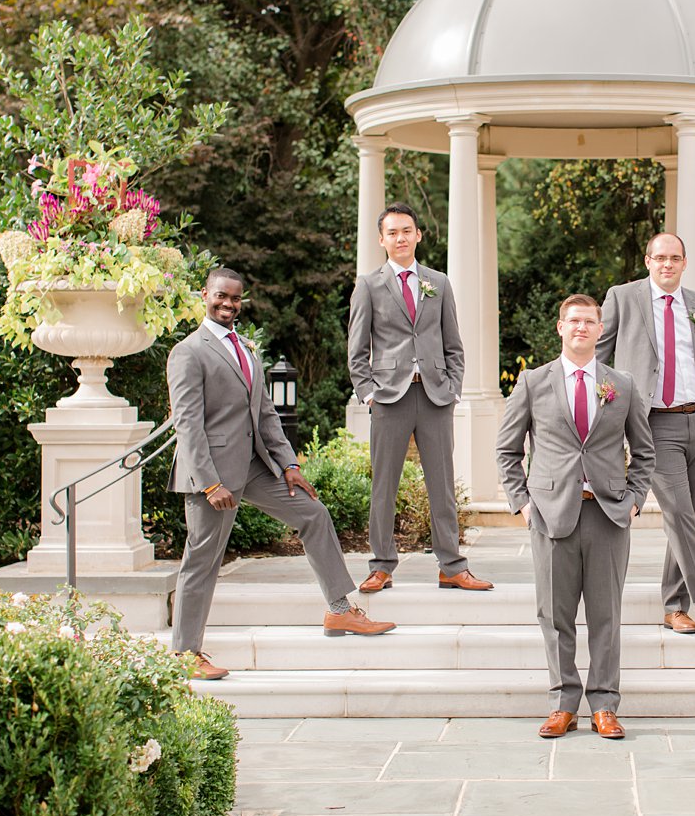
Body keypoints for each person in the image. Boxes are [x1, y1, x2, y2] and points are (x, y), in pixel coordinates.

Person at [169, 268, 393, 679]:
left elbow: (266, 413)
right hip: (213, 476)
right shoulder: (188, 352)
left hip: (255, 467)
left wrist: (289, 464)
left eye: (235, 299)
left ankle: (340, 610)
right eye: (221, 296)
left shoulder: (246, 348)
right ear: (205, 295)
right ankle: (185, 654)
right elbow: (188, 424)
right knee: (202, 560)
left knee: (313, 513)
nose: (228, 304)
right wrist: (209, 482)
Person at [496, 294, 655, 740]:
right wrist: (524, 504)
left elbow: (644, 451)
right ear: (560, 328)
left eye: (589, 321)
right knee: (555, 615)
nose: (581, 328)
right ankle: (563, 704)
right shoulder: (533, 382)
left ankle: (604, 705)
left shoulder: (621, 383)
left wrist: (635, 498)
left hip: (608, 515)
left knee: (606, 616)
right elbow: (507, 450)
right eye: (574, 321)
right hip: (551, 515)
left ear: (600, 330)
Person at [597, 232, 695, 639]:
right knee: (678, 513)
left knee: (688, 518)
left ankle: (674, 606)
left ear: (684, 262)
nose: (667, 265)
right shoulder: (623, 298)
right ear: (647, 261)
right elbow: (597, 357)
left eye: (675, 258)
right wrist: (609, 409)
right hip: (655, 423)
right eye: (660, 258)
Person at [347, 203, 492, 593]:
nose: (400, 238)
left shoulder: (438, 282)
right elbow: (357, 349)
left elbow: (453, 343)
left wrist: (453, 387)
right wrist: (368, 394)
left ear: (418, 235)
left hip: (434, 395)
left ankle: (452, 566)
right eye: (392, 232)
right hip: (389, 398)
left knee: (442, 484)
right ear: (382, 240)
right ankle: (381, 565)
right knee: (384, 486)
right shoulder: (369, 285)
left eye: (406, 231)